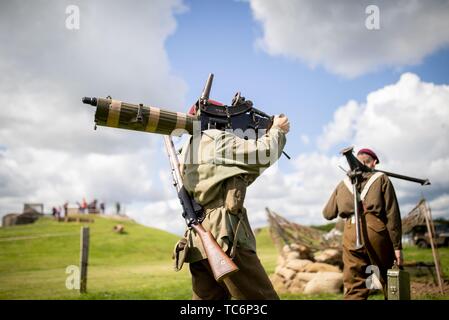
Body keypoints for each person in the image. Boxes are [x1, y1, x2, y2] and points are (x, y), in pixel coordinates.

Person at [175, 101, 290, 300]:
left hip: (199, 241)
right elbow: (262, 154)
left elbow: (240, 175)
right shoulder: (216, 140)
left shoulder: (188, 150)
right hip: (225, 236)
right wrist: (277, 130)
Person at [322, 148, 402, 300]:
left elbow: (328, 213)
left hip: (350, 232)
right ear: (374, 162)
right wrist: (397, 247)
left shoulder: (343, 184)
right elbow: (392, 215)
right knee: (391, 278)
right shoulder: (381, 178)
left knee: (355, 285)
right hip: (376, 230)